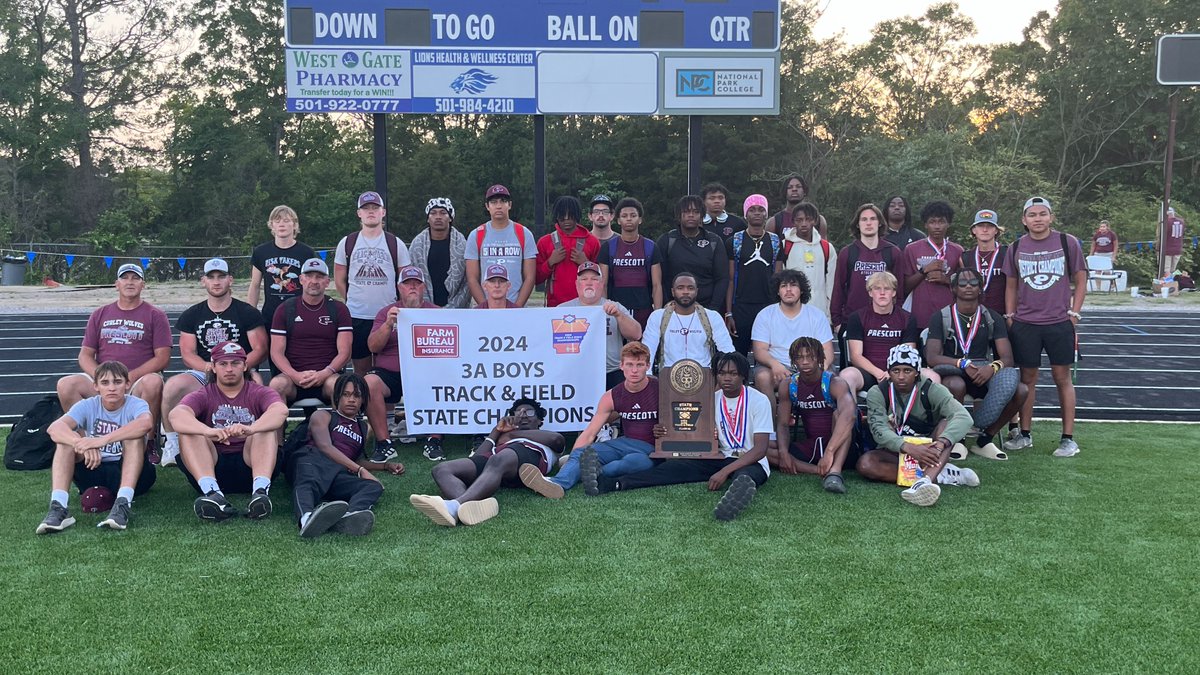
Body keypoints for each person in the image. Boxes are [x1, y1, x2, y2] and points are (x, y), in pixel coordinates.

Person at [581, 352, 769, 522]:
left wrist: (724, 472)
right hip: (719, 457)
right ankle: (613, 483)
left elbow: (760, 449)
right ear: (716, 376)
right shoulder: (712, 398)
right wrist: (663, 432)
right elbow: (689, 427)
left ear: (744, 375)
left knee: (746, 475)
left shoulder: (758, 400)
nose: (727, 378)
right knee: (671, 469)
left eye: (733, 374)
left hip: (750, 460)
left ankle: (734, 498)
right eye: (722, 373)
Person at [161, 258, 268, 466]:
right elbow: (188, 353)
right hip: (205, 370)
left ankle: (258, 437)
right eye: (211, 277)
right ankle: (172, 441)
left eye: (221, 277)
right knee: (172, 386)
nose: (216, 282)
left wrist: (240, 367)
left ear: (230, 280)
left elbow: (260, 349)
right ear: (203, 281)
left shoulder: (247, 312)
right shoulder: (192, 315)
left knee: (258, 384)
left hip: (240, 369)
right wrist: (209, 368)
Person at [1002, 197, 1087, 457]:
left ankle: (1068, 438)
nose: (1037, 219)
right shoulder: (1016, 247)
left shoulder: (1067, 242)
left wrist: (1074, 313)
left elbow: (1081, 279)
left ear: (1050, 217)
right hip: (1026, 323)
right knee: (1027, 380)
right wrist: (1010, 316)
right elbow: (1011, 285)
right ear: (1023, 220)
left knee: (1063, 378)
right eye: (1032, 215)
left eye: (1042, 214)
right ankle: (1025, 434)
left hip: (1059, 322)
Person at [56, 263, 169, 457]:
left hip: (137, 378)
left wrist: (131, 376)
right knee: (66, 385)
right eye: (125, 278)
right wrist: (101, 377)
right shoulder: (100, 314)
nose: (130, 282)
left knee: (153, 382)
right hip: (104, 377)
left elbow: (162, 357)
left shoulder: (155, 315)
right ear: (116, 284)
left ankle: (148, 442)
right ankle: (87, 442)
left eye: (135, 278)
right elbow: (85, 355)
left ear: (143, 284)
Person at [169, 342, 289, 520]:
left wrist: (251, 428)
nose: (229, 369)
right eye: (223, 364)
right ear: (213, 367)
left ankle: (260, 493)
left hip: (251, 464)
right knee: (190, 432)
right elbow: (176, 415)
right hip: (213, 466)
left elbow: (280, 411)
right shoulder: (203, 393)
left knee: (265, 429)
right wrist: (207, 431)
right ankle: (213, 495)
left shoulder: (259, 392)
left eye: (235, 363)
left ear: (245, 366)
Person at [520, 342, 657, 498]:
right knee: (584, 452)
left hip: (650, 449)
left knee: (630, 464)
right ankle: (557, 483)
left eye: (639, 365)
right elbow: (590, 432)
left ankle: (584, 471)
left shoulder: (659, 388)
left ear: (648, 365)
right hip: (624, 442)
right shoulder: (611, 396)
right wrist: (574, 455)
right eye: (630, 364)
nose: (634, 370)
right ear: (621, 366)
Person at [37, 361, 155, 534]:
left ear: (127, 384)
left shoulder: (135, 404)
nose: (112, 388)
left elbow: (146, 423)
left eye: (117, 382)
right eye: (105, 383)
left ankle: (123, 504)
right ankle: (58, 508)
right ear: (96, 386)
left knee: (134, 437)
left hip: (131, 472)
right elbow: (54, 428)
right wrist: (82, 444)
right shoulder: (87, 405)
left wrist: (100, 441)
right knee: (65, 442)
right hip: (94, 468)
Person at [409, 398, 565, 527]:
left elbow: (556, 440)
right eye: (519, 412)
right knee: (441, 469)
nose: (523, 415)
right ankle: (473, 509)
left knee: (500, 458)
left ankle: (454, 505)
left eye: (529, 412)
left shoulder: (544, 436)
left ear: (539, 420)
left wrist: (512, 435)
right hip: (496, 462)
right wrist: (496, 431)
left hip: (527, 459)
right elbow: (477, 457)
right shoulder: (503, 436)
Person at [925, 268, 1028, 461]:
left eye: (974, 283)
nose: (968, 287)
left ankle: (985, 439)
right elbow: (932, 357)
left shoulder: (992, 317)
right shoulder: (941, 316)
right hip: (953, 370)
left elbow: (1007, 358)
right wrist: (961, 362)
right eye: (962, 284)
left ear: (981, 289)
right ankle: (958, 439)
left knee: (1020, 390)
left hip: (982, 372)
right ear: (954, 289)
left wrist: (992, 368)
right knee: (956, 384)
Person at [285, 373, 404, 538]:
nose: (351, 400)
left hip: (337, 473)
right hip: (313, 461)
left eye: (357, 395)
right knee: (307, 481)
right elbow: (324, 446)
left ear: (363, 400)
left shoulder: (363, 428)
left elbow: (353, 459)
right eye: (346, 395)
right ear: (337, 397)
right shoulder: (322, 416)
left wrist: (384, 466)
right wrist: (360, 470)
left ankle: (349, 516)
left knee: (372, 486)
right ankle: (306, 519)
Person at [860, 345, 977, 507]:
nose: (901, 376)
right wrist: (908, 447)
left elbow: (963, 416)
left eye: (907, 371)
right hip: (896, 451)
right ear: (888, 372)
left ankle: (925, 481)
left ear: (917, 372)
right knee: (865, 464)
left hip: (930, 450)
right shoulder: (877, 392)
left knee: (947, 423)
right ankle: (939, 474)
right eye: (895, 371)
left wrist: (940, 444)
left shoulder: (932, 389)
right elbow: (878, 429)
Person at [365, 265, 440, 463]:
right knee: (369, 383)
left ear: (424, 287)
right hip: (391, 372)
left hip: (426, 373)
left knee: (444, 378)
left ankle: (434, 439)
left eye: (417, 284)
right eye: (408, 284)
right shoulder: (386, 313)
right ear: (400, 288)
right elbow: (373, 346)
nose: (413, 288)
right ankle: (384, 443)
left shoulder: (437, 313)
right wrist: (388, 325)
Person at [334, 191, 412, 376]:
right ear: (359, 213)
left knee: (386, 367)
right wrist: (353, 299)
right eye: (366, 208)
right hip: (357, 315)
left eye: (375, 208)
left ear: (383, 212)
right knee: (361, 369)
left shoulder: (395, 243)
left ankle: (385, 405)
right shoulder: (347, 243)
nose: (371, 212)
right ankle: (361, 404)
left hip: (387, 315)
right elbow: (339, 279)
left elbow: (404, 281)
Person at [771, 337, 858, 494]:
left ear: (819, 358)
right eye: (799, 357)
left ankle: (834, 473)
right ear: (793, 360)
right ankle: (817, 470)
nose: (805, 362)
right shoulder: (789, 385)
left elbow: (849, 416)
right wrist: (784, 453)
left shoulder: (834, 382)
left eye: (810, 357)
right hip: (813, 446)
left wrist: (830, 451)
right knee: (763, 448)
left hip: (840, 446)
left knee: (839, 414)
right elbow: (783, 424)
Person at [268, 258, 353, 406]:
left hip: (327, 376)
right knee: (276, 385)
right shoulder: (285, 309)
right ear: (301, 279)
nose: (314, 281)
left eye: (319, 277)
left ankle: (341, 428)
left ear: (327, 282)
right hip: (293, 379)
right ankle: (276, 430)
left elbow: (345, 352)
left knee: (340, 386)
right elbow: (276, 352)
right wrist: (295, 375)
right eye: (309, 276)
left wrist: (325, 373)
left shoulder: (339, 309)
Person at [839, 271, 926, 397]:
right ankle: (852, 416)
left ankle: (924, 416)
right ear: (870, 292)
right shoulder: (857, 317)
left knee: (932, 375)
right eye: (877, 288)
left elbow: (908, 354)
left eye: (887, 288)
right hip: (868, 373)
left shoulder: (907, 318)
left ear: (894, 292)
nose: (882, 293)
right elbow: (856, 356)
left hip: (899, 372)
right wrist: (879, 373)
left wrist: (892, 373)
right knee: (847, 376)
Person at [750, 269, 834, 398]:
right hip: (777, 367)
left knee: (833, 380)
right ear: (778, 291)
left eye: (793, 285)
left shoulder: (816, 315)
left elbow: (827, 350)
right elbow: (759, 350)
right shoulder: (765, 315)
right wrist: (775, 365)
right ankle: (770, 418)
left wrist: (818, 369)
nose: (788, 290)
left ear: (801, 290)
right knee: (763, 377)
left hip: (811, 364)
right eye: (784, 286)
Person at [560, 262, 642, 389]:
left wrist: (619, 316)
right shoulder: (563, 310)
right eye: (584, 279)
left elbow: (636, 334)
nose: (589, 283)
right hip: (575, 373)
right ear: (577, 284)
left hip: (611, 372)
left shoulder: (615, 307)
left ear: (602, 284)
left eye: (594, 279)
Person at [829, 204, 903, 334]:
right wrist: (837, 322)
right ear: (857, 224)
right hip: (852, 321)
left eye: (873, 219)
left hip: (884, 322)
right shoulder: (847, 253)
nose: (868, 223)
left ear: (879, 222)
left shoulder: (892, 252)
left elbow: (900, 290)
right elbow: (838, 288)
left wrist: (896, 318)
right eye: (864, 219)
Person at [724, 194, 782, 355]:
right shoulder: (734, 241)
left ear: (766, 214)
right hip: (741, 307)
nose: (757, 213)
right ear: (745, 214)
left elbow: (778, 280)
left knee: (767, 354)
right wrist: (729, 312)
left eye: (761, 209)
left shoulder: (776, 241)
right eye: (752, 209)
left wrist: (778, 311)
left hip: (768, 306)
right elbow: (729, 279)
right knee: (738, 355)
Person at [642, 272, 734, 371]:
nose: (685, 292)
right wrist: (648, 378)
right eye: (680, 288)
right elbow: (647, 351)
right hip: (668, 378)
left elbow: (727, 351)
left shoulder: (712, 317)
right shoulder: (658, 316)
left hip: (705, 378)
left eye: (690, 288)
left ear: (697, 291)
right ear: (673, 292)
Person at [465, 184, 537, 307]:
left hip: (515, 306)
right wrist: (485, 307)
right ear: (487, 206)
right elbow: (472, 278)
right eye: (493, 202)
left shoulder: (523, 233)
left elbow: (530, 277)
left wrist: (516, 308)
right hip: (486, 309)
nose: (498, 206)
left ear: (509, 205)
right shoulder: (476, 235)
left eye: (503, 201)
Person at [657, 194, 730, 312]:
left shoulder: (714, 241)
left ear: (702, 215)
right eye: (686, 211)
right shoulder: (667, 240)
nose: (691, 215)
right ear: (679, 216)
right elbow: (660, 279)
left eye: (696, 212)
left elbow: (722, 278)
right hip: (674, 308)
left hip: (707, 308)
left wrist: (713, 309)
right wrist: (667, 303)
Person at [597, 196, 662, 328]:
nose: (628, 218)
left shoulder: (650, 247)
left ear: (640, 219)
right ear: (618, 220)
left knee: (642, 348)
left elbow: (657, 285)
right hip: (616, 310)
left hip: (644, 310)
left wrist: (657, 315)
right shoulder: (609, 247)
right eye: (624, 215)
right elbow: (603, 284)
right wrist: (605, 311)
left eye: (633, 215)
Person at [248, 205, 316, 329]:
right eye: (277, 221)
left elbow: (313, 285)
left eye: (286, 220)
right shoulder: (261, 252)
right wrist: (250, 314)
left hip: (299, 314)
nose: (281, 224)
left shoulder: (306, 252)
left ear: (294, 224)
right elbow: (255, 285)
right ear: (271, 225)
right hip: (270, 315)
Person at [900, 201, 964, 331]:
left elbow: (964, 285)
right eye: (932, 222)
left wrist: (947, 280)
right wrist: (924, 271)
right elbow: (904, 286)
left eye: (941, 222)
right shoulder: (911, 249)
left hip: (949, 316)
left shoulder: (958, 250)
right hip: (919, 316)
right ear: (925, 224)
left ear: (948, 224)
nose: (937, 226)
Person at [536, 195, 601, 307]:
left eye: (570, 216)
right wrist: (550, 262)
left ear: (577, 216)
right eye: (562, 216)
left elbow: (602, 278)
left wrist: (586, 264)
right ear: (556, 216)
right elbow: (536, 278)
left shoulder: (592, 242)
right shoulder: (545, 242)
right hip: (554, 306)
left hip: (586, 305)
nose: (566, 219)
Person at [408, 197, 470, 309]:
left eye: (443, 213)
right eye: (433, 213)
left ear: (450, 218)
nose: (438, 217)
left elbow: (467, 281)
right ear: (428, 218)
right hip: (423, 309)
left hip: (457, 310)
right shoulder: (417, 245)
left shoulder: (463, 245)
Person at [781, 201, 837, 321]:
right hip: (791, 313)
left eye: (808, 219)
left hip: (820, 312)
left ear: (815, 220)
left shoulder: (827, 248)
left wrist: (830, 314)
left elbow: (831, 284)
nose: (804, 223)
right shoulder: (784, 246)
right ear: (793, 222)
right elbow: (780, 281)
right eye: (799, 220)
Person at [959, 209, 1008, 315]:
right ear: (974, 230)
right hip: (975, 314)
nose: (985, 229)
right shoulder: (965, 257)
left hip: (1002, 313)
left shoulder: (1007, 253)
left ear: (996, 230)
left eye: (989, 226)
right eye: (981, 226)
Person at [766, 175, 828, 239]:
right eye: (790, 187)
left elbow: (824, 247)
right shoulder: (774, 222)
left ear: (804, 191)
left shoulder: (818, 220)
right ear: (785, 192)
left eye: (798, 187)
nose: (794, 189)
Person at [1163, 207, 1186, 277]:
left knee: (1166, 269)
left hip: (1167, 249)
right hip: (1178, 248)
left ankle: (1167, 284)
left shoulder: (1166, 222)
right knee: (1173, 270)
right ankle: (1172, 283)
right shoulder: (1182, 222)